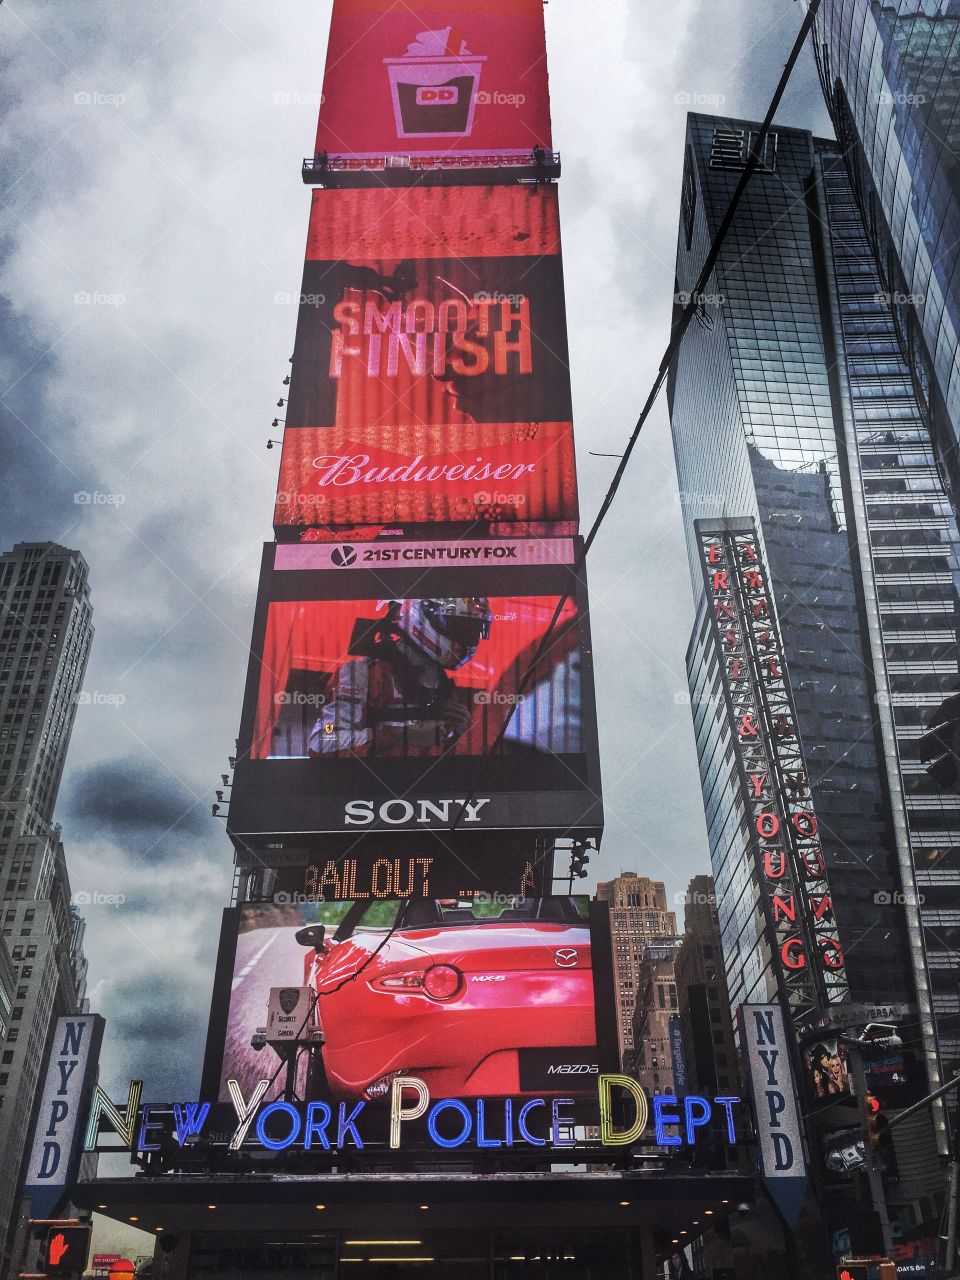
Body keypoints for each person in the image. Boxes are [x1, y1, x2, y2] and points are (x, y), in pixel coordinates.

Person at [308, 597, 491, 757]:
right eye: (461, 627)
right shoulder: (364, 674)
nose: (467, 638)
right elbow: (323, 741)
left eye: (473, 629)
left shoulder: (442, 684)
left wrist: (460, 735)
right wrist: (400, 735)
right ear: (421, 620)